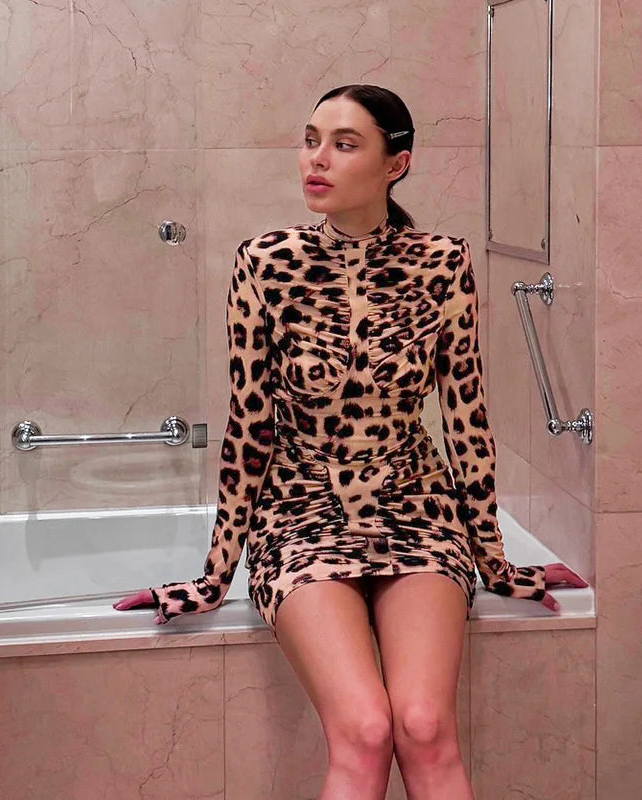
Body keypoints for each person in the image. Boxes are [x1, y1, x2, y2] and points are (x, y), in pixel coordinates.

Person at [114, 84, 587, 800]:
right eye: (311, 139)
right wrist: (215, 574)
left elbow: (466, 421)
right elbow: (249, 429)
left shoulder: (443, 263)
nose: (317, 159)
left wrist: (495, 560)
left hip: (417, 510)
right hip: (301, 512)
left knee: (425, 726)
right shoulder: (266, 263)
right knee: (365, 729)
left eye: (344, 143)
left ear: (396, 163)